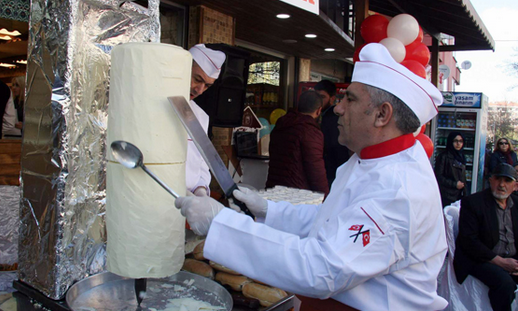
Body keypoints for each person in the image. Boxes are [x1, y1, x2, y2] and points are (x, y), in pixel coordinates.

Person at [175, 43, 448, 310]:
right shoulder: (368, 161)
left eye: (350, 99)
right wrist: (268, 211)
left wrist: (221, 223)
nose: (337, 108)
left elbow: (321, 270)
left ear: (382, 114)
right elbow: (329, 222)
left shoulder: (397, 190)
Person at [454, 163, 518, 311]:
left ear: (515, 186)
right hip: (483, 259)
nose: (502, 185)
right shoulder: (473, 203)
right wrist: (501, 262)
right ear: (490, 180)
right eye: (498, 179)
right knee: (505, 283)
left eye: (508, 181)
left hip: (514, 258)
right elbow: (469, 241)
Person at [265, 90, 329, 195]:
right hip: (296, 196)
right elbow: (316, 172)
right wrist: (326, 198)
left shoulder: (281, 124)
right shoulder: (310, 131)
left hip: (273, 190)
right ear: (319, 111)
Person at [185, 44, 226, 196]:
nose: (199, 90)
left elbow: (202, 163)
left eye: (207, 86)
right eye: (197, 79)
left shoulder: (201, 116)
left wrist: (201, 190)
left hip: (188, 206)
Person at [316, 80, 350, 187]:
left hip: (332, 170)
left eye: (322, 97)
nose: (318, 101)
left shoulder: (334, 118)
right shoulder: (319, 115)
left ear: (332, 99)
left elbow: (335, 145)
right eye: (316, 96)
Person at [434, 131, 468, 207]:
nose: (458, 144)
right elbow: (438, 176)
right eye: (455, 141)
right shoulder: (444, 157)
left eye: (461, 141)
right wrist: (454, 184)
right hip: (447, 195)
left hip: (459, 195)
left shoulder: (461, 156)